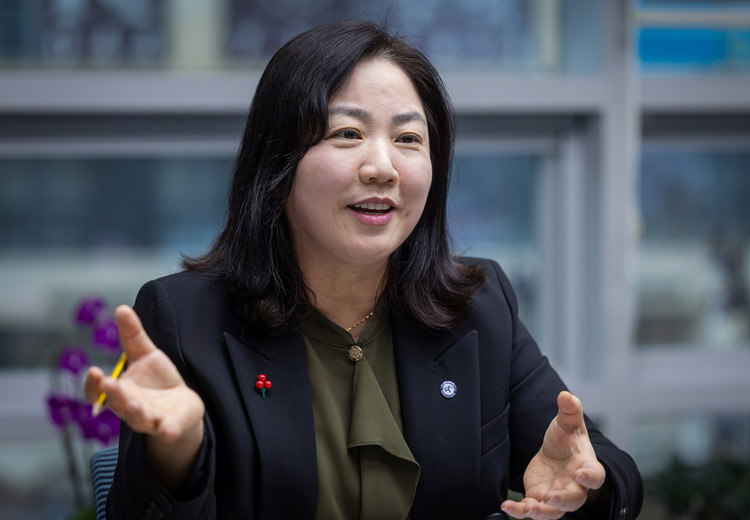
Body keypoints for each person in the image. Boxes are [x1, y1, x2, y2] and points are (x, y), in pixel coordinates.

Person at [84, 20, 643, 520]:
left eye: (408, 139)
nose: (383, 168)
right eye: (347, 134)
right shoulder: (184, 319)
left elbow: (601, 467)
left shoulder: (479, 304)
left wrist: (585, 488)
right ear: (277, 160)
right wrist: (176, 452)